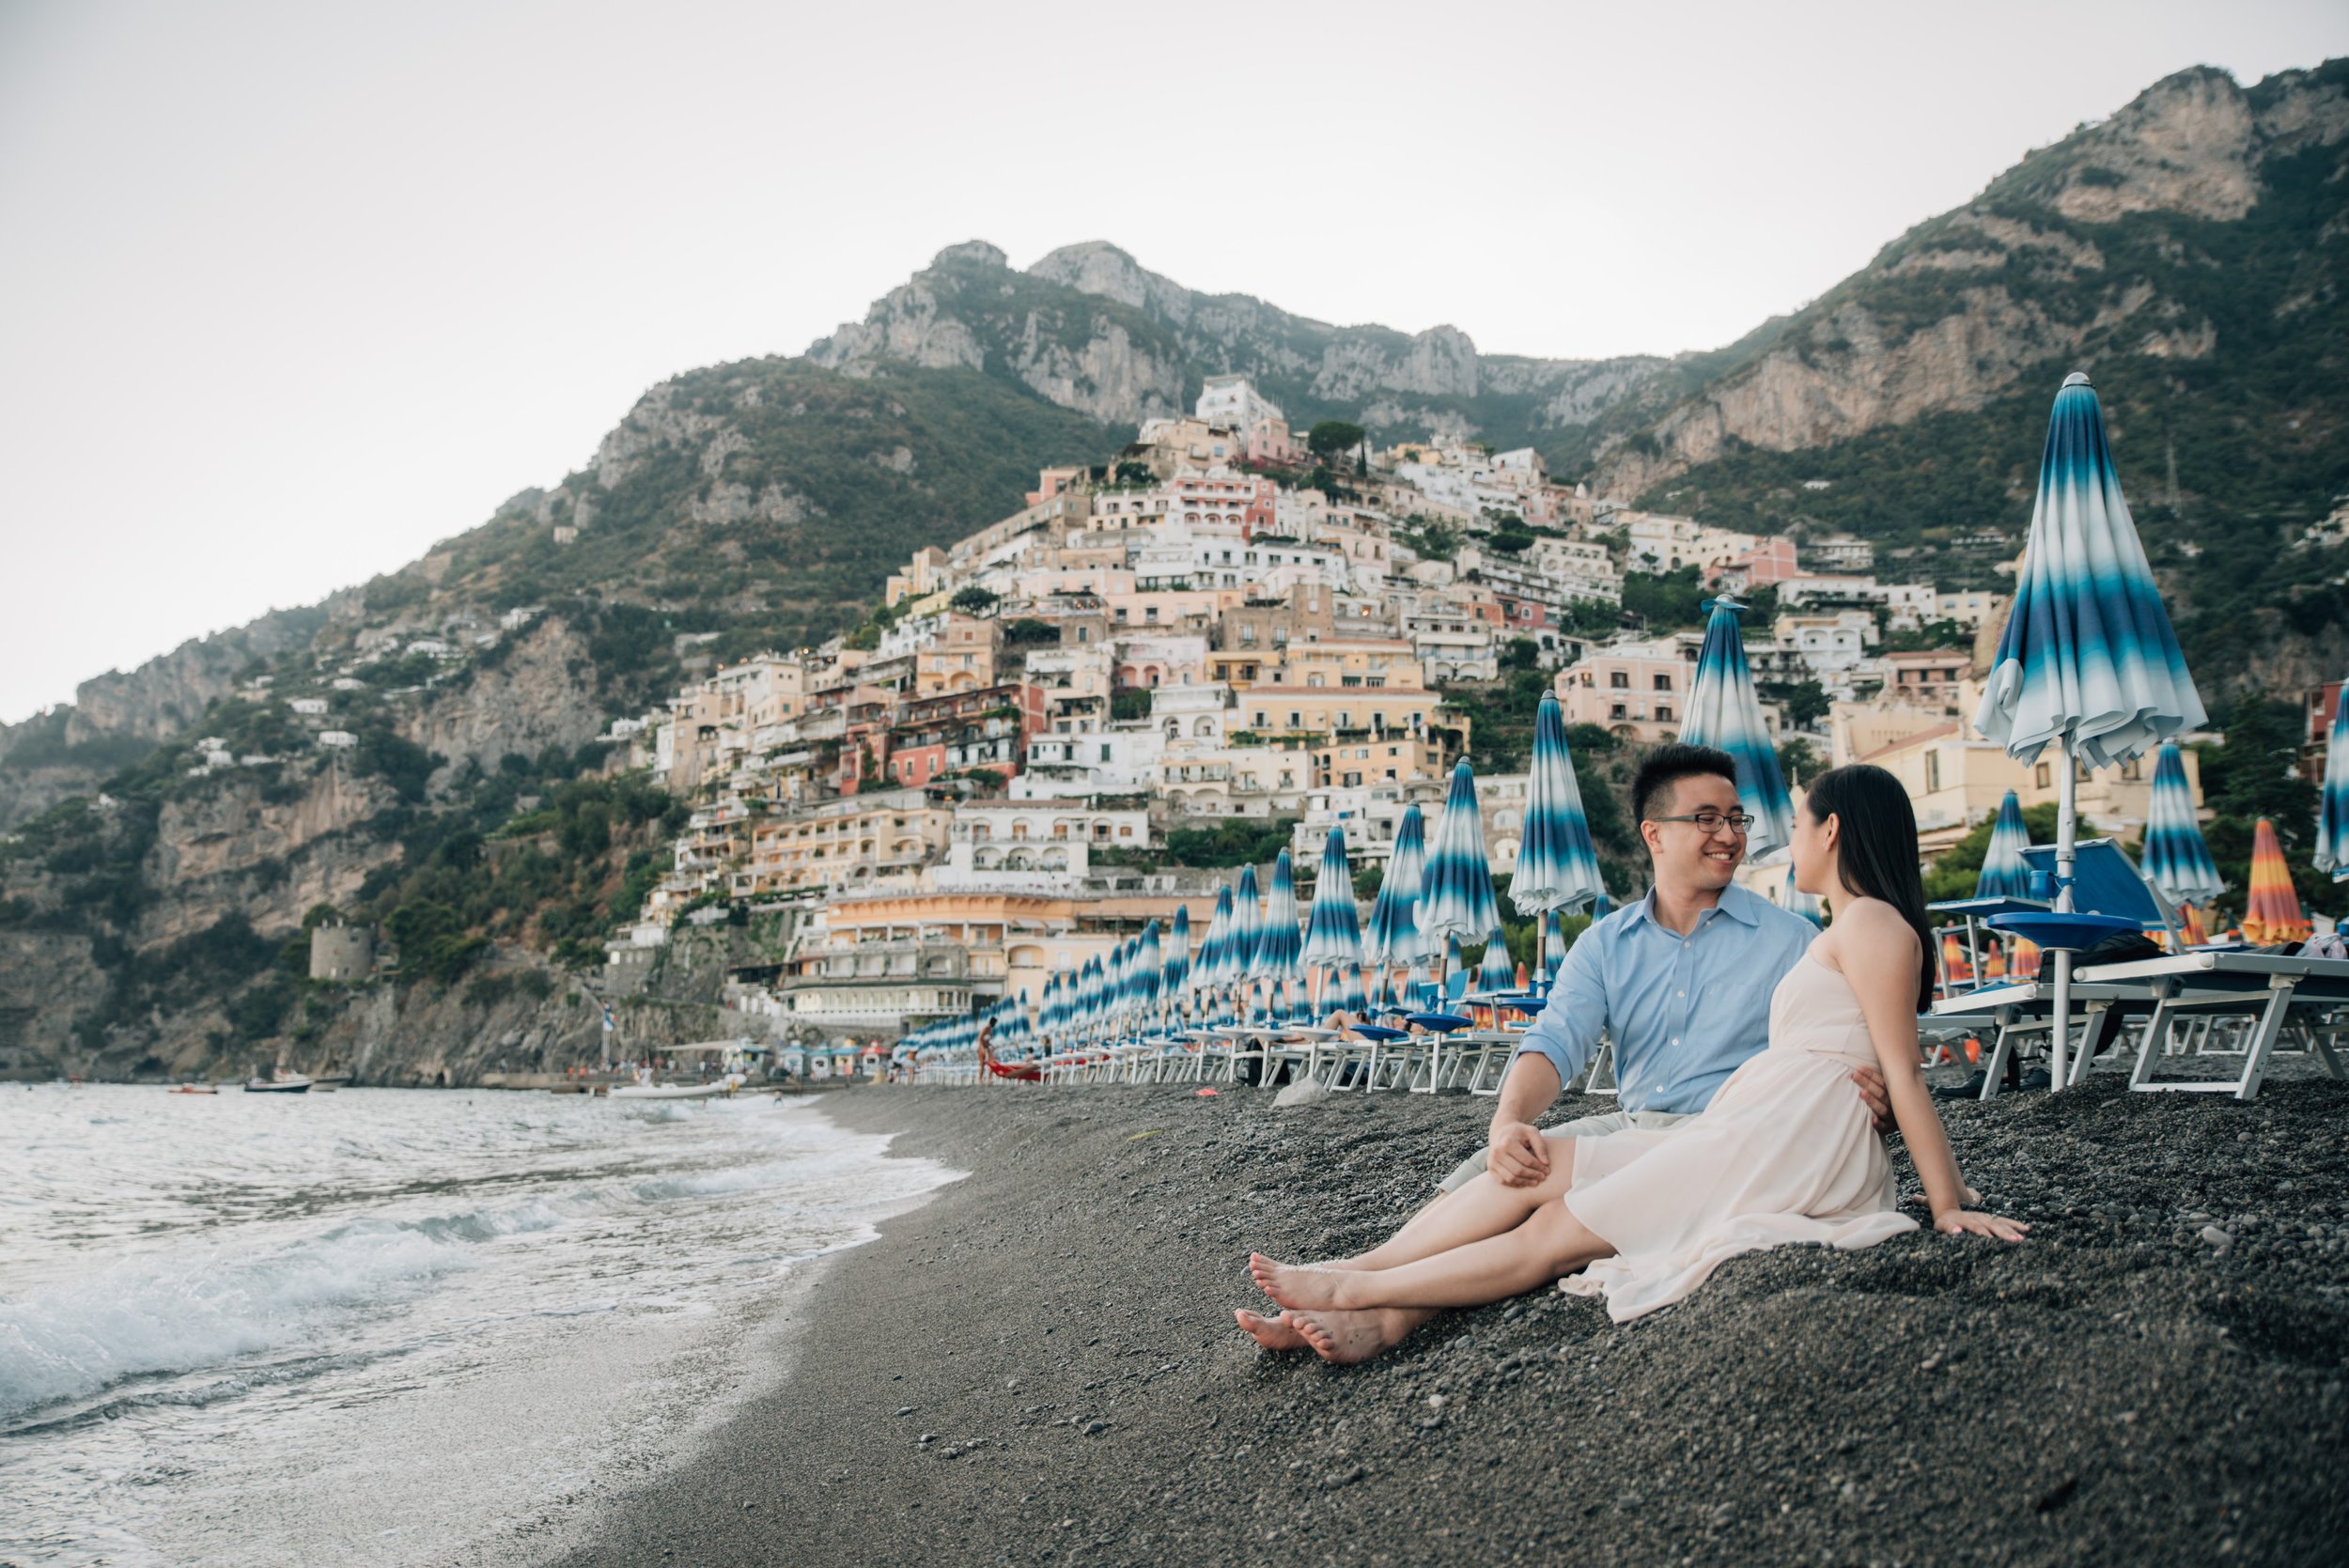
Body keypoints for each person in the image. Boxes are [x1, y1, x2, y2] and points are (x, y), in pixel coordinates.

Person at [1240, 763, 2028, 1364]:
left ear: (1829, 832)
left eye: (1743, 819)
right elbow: (1553, 1042)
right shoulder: (1608, 941)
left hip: (1748, 1133)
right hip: (1699, 1125)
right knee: (1516, 1163)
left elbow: (1884, 1059)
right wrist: (1509, 1115)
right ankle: (1360, 1276)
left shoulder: (1800, 933)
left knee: (1552, 1219)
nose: (1734, 835)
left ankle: (1376, 1304)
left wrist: (1925, 1168)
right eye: (1706, 818)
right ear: (1655, 834)